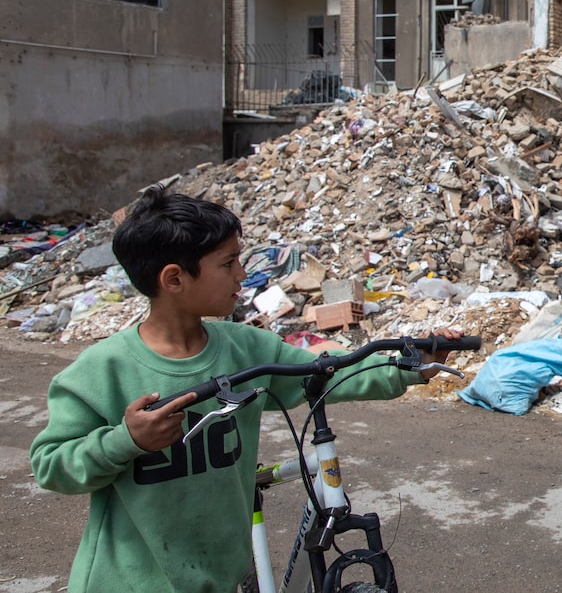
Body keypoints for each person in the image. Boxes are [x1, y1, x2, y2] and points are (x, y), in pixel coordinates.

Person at [30, 185, 463, 592]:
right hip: (128, 582)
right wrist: (125, 440)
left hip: (219, 577)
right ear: (174, 279)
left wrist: (412, 365)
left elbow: (326, 371)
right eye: (228, 263)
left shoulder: (246, 349)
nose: (242, 274)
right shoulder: (102, 371)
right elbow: (51, 465)